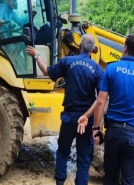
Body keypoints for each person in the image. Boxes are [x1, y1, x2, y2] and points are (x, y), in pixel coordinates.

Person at [77, 34, 134, 185]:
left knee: (110, 179)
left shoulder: (111, 68)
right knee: (129, 181)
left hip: (113, 135)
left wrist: (96, 128)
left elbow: (101, 101)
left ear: (125, 47)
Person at [26, 34, 103, 185]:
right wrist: (93, 124)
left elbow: (47, 71)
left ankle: (60, 182)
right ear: (92, 50)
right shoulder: (98, 69)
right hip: (86, 120)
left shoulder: (67, 62)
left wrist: (37, 56)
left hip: (69, 118)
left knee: (62, 151)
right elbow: (101, 99)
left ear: (79, 47)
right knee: (84, 157)